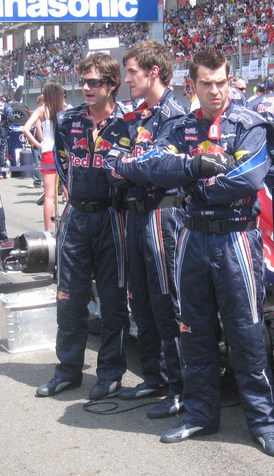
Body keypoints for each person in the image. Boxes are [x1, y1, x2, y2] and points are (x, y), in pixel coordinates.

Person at [114, 48, 274, 457]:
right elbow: (146, 167)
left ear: (230, 81)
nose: (215, 91)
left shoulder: (250, 123)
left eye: (221, 82)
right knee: (193, 331)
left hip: (236, 239)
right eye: (206, 83)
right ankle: (199, 415)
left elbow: (249, 178)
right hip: (191, 237)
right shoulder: (182, 126)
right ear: (191, 85)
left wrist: (194, 184)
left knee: (247, 334)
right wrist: (195, 168)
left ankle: (264, 423)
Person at [36, 52, 130, 401]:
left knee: (113, 301)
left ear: (112, 84)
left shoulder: (127, 121)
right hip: (76, 216)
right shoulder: (67, 119)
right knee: (69, 298)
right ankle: (67, 370)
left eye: (95, 82)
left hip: (112, 218)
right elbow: (62, 164)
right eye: (84, 81)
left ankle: (110, 374)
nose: (87, 88)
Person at [111, 40, 187, 419]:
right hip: (135, 214)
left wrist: (127, 165)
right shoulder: (137, 115)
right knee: (139, 299)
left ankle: (180, 388)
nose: (127, 80)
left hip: (162, 215)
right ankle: (155, 378)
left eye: (132, 72)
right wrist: (129, 164)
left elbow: (156, 167)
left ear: (153, 72)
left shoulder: (176, 114)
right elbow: (112, 159)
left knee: (166, 302)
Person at [22, 82, 67, 232]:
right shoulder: (66, 109)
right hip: (63, 152)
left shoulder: (42, 110)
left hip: (48, 150)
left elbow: (26, 128)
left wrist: (38, 144)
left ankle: (47, 231)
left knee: (49, 196)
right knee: (69, 192)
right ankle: (70, 227)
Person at [26, 95, 44, 189]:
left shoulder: (40, 111)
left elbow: (37, 127)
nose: (37, 104)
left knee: (37, 162)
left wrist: (35, 142)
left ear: (41, 101)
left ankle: (38, 181)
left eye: (38, 102)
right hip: (44, 141)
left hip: (40, 142)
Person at [0, 90, 14, 179]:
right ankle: (1, 173)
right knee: (2, 150)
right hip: (2, 129)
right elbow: (11, 118)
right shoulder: (6, 105)